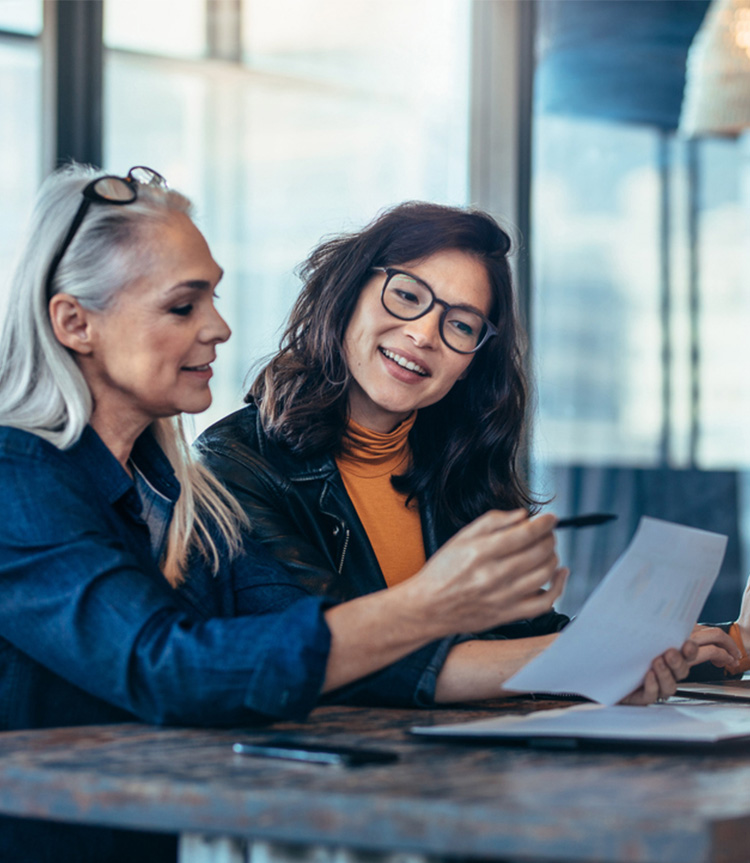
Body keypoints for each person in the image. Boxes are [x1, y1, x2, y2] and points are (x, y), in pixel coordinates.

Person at [0, 165, 577, 863]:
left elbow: (313, 639)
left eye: (214, 299)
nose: (221, 329)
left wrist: (607, 661)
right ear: (74, 322)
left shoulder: (177, 494)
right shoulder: (17, 476)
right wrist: (430, 604)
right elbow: (172, 668)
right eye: (183, 306)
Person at [198, 201, 738, 701]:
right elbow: (333, 657)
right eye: (407, 296)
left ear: (473, 360)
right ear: (346, 294)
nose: (424, 335)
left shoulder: (456, 464)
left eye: (460, 324)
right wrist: (588, 661)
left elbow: (519, 636)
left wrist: (682, 648)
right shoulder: (234, 464)